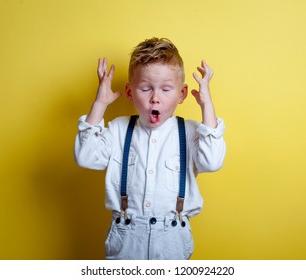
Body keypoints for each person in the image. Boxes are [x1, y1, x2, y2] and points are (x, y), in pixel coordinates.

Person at [74, 37, 226, 260]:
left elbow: (213, 161)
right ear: (129, 92)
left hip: (172, 237)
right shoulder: (118, 129)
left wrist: (207, 106)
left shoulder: (193, 131)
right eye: (145, 89)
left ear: (182, 94)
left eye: (166, 89)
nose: (155, 98)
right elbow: (85, 157)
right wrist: (100, 105)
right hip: (126, 237)